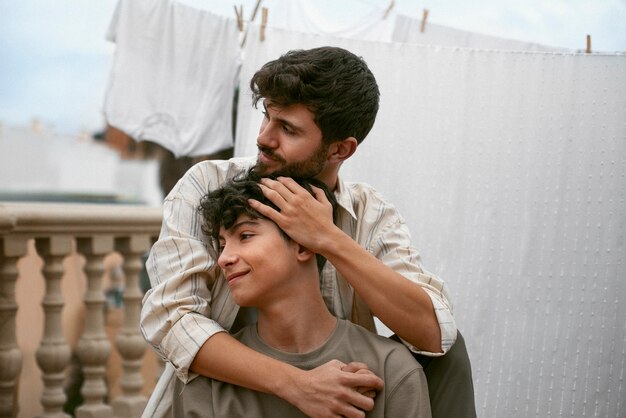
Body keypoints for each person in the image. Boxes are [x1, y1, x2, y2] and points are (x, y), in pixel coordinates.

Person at [141, 46, 475, 418]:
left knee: (450, 352)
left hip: (346, 395)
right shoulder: (207, 184)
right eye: (267, 117)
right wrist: (299, 384)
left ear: (340, 150)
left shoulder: (370, 213)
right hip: (229, 398)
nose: (264, 138)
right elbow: (172, 320)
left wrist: (328, 238)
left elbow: (434, 333)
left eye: (287, 128)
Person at [171, 170, 432, 417]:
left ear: (304, 246)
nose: (224, 258)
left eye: (246, 235)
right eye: (222, 244)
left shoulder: (391, 370)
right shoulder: (206, 381)